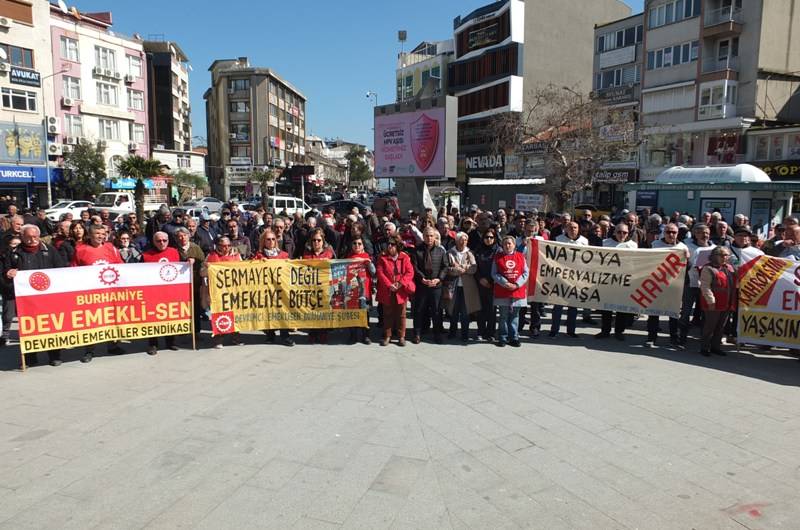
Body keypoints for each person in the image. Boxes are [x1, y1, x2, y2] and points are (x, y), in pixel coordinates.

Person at [70, 224, 124, 361]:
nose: (101, 236)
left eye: (103, 233)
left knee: (111, 318)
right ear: (90, 235)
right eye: (97, 233)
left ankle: (113, 345)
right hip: (90, 294)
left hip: (110, 291)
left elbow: (121, 266)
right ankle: (89, 350)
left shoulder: (110, 248)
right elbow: (73, 270)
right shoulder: (81, 250)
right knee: (91, 321)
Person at [646, 223, 689, 348]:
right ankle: (651, 337)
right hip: (656, 282)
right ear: (664, 233)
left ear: (677, 233)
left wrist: (688, 259)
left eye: (674, 232)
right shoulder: (655, 245)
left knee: (673, 313)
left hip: (674, 285)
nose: (671, 234)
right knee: (653, 312)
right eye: (668, 232)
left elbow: (687, 268)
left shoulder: (682, 247)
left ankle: (673, 338)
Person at [252, 229, 295, 347]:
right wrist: (259, 263)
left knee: (283, 311)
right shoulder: (259, 256)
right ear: (263, 241)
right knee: (269, 311)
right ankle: (270, 335)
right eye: (268, 239)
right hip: (266, 290)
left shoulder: (284, 255)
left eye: (273, 239)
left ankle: (285, 336)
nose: (271, 241)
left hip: (282, 289)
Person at [141, 232, 182, 355]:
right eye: (159, 241)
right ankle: (153, 344)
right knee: (153, 318)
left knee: (170, 316)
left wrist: (189, 261)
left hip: (170, 292)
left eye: (164, 240)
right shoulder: (146, 255)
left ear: (168, 240)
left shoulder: (174, 252)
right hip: (153, 292)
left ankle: (171, 342)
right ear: (154, 242)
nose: (162, 243)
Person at [596, 223, 638, 340]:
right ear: (614, 232)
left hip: (624, 281)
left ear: (628, 233)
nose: (621, 235)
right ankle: (605, 330)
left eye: (624, 232)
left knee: (621, 308)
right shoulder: (605, 243)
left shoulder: (633, 245)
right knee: (606, 307)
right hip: (608, 280)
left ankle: (619, 331)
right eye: (619, 232)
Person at [202, 236, 244, 349]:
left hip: (233, 290)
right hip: (217, 292)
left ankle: (236, 337)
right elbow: (202, 273)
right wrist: (207, 268)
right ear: (218, 245)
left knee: (235, 314)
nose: (226, 248)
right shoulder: (211, 256)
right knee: (219, 314)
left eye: (228, 245)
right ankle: (218, 339)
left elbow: (243, 270)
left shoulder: (236, 255)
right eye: (223, 246)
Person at [679, 223, 715, 345]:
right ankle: (682, 336)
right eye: (701, 232)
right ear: (695, 234)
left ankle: (704, 339)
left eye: (707, 233)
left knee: (706, 312)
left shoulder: (714, 248)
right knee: (686, 310)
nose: (704, 235)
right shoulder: (686, 246)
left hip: (707, 284)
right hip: (690, 282)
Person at [375, 235, 415, 346]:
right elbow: (380, 272)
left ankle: (401, 336)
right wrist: (389, 285)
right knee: (387, 313)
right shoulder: (382, 257)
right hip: (387, 290)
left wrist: (400, 283)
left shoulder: (404, 257)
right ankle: (387, 335)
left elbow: (409, 272)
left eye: (392, 244)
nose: (389, 246)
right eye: (388, 244)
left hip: (401, 290)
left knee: (401, 314)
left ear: (397, 246)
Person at [549, 222, 587, 338]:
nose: (573, 230)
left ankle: (571, 331)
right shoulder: (558, 239)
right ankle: (554, 330)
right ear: (565, 229)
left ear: (578, 229)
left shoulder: (584, 241)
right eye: (570, 228)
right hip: (560, 278)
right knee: (558, 307)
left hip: (576, 279)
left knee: (573, 307)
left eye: (575, 227)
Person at [412, 227, 448, 344]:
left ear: (435, 237)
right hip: (422, 285)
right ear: (423, 236)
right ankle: (417, 333)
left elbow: (445, 267)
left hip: (436, 286)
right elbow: (415, 267)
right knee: (419, 310)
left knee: (436, 311)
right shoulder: (417, 250)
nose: (429, 238)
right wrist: (422, 278)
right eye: (427, 236)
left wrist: (439, 279)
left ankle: (437, 334)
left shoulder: (441, 251)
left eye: (431, 236)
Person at [492, 235, 529, 347]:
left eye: (510, 243)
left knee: (515, 316)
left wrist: (517, 284)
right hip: (503, 290)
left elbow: (525, 273)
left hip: (517, 290)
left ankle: (514, 337)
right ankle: (503, 337)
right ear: (502, 245)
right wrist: (505, 283)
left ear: (514, 245)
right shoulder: (497, 257)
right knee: (503, 316)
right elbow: (494, 273)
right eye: (505, 244)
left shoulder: (520, 256)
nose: (507, 245)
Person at [699, 246, 736, 356]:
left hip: (726, 303)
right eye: (722, 255)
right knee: (710, 326)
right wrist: (711, 301)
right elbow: (705, 286)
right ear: (715, 256)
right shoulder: (708, 268)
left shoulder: (729, 268)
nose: (725, 257)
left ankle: (715, 347)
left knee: (721, 327)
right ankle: (705, 348)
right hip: (713, 303)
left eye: (726, 255)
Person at [302, 227, 335, 344]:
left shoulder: (329, 253)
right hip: (311, 287)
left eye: (319, 240)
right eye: (314, 240)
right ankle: (313, 332)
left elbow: (335, 268)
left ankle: (323, 332)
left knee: (324, 310)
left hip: (325, 286)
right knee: (312, 310)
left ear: (323, 241)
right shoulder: (306, 254)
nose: (316, 242)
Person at [445, 232, 478, 343]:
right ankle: (452, 332)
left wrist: (463, 268)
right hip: (453, 286)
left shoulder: (470, 253)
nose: (463, 241)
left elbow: (474, 268)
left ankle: (465, 333)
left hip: (467, 288)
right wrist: (457, 270)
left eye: (465, 240)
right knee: (453, 311)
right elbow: (447, 269)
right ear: (456, 240)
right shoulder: (450, 252)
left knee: (465, 312)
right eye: (461, 239)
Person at [175, 227, 205, 343]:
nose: (182, 238)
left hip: (195, 283)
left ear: (189, 236)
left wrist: (195, 260)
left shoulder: (195, 248)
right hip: (180, 285)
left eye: (185, 235)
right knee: (182, 308)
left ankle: (196, 332)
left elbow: (203, 262)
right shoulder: (175, 249)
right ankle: (182, 330)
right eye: (180, 236)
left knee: (196, 309)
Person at [345, 236, 374, 345]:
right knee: (352, 313)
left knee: (364, 313)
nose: (357, 245)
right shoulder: (348, 257)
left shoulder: (367, 256)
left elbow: (373, 272)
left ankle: (366, 335)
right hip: (352, 290)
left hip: (364, 290)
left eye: (359, 243)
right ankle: (353, 336)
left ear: (363, 246)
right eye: (354, 243)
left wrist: (369, 263)